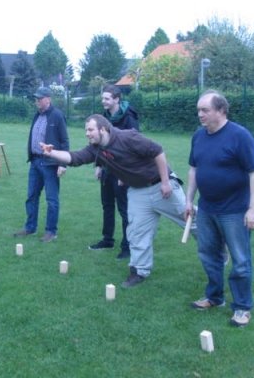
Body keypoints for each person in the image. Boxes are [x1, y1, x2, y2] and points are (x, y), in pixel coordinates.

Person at [40, 114, 189, 287]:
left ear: (103, 129)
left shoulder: (127, 137)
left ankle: (217, 245)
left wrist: (165, 182)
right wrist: (52, 152)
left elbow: (158, 151)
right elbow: (75, 158)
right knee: (136, 232)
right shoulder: (95, 149)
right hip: (138, 191)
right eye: (86, 130)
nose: (87, 134)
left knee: (190, 220)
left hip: (161, 186)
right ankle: (139, 271)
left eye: (90, 130)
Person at [185, 90, 254, 328]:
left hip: (235, 210)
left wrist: (253, 209)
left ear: (221, 111)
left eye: (205, 110)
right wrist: (189, 200)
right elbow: (194, 169)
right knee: (209, 255)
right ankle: (214, 297)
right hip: (207, 208)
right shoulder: (199, 136)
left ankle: (242, 307)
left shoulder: (240, 136)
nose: (200, 114)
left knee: (240, 260)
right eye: (199, 110)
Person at [89, 85, 139, 260]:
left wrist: (124, 174)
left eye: (107, 98)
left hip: (122, 172)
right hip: (107, 170)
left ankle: (127, 246)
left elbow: (134, 147)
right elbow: (99, 144)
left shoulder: (129, 118)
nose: (103, 101)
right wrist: (98, 165)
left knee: (125, 210)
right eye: (103, 98)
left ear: (117, 99)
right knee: (107, 206)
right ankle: (107, 239)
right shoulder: (104, 118)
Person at [13, 86, 69, 243]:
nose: (37, 101)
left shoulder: (57, 116)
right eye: (36, 99)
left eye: (39, 98)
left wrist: (63, 164)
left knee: (52, 199)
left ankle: (51, 231)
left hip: (50, 164)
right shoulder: (37, 115)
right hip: (35, 162)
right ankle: (30, 228)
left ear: (48, 99)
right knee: (31, 196)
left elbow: (64, 141)